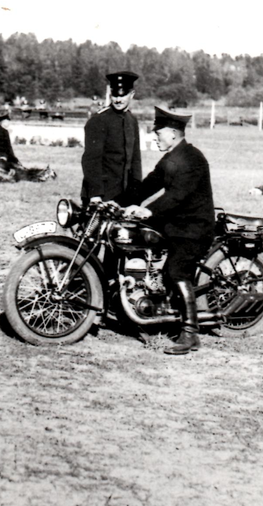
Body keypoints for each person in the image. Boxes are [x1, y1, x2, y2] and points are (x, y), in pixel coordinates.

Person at [124, 107, 215, 355]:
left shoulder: (192, 159)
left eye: (158, 132)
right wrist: (118, 202)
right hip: (176, 223)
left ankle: (190, 333)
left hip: (194, 227)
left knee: (176, 271)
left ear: (173, 133)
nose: (154, 137)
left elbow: (176, 196)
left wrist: (148, 211)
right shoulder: (171, 158)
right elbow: (149, 185)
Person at [81, 71, 143, 204]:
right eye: (115, 95)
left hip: (125, 194)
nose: (118, 100)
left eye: (122, 95)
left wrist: (136, 191)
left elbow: (135, 159)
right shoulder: (99, 120)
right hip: (102, 194)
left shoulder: (132, 120)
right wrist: (95, 194)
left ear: (132, 94)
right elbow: (91, 160)